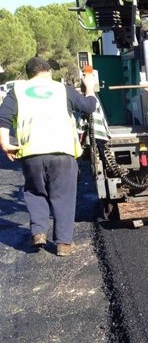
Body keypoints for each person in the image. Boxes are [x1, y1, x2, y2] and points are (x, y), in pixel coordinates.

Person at [0, 57, 97, 256]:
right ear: (47, 71)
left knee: (35, 192)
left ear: (29, 74)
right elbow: (88, 107)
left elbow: (3, 118)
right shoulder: (62, 89)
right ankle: (63, 243)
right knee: (63, 196)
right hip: (62, 150)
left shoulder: (17, 91)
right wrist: (90, 88)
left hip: (31, 152)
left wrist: (4, 143)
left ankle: (38, 233)